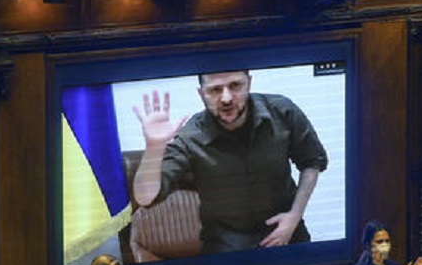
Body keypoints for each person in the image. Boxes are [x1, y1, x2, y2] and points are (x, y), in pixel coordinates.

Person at [132, 70, 328, 254]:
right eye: (215, 90)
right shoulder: (191, 136)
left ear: (249, 83)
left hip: (287, 233)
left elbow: (312, 161)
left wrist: (294, 216)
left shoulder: (282, 111)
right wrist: (154, 147)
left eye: (235, 85)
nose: (226, 98)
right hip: (225, 245)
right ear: (202, 94)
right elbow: (145, 198)